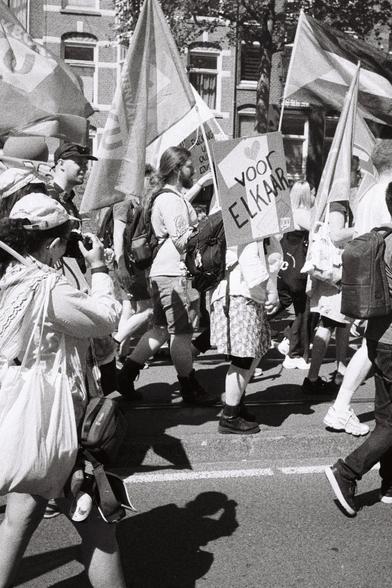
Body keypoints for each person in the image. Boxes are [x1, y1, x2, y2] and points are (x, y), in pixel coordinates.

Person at [0, 193, 125, 587]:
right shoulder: (48, 289)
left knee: (19, 517)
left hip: (24, 423)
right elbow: (105, 319)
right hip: (57, 423)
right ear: (54, 244)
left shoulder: (8, 277)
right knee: (99, 521)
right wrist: (99, 267)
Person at [118, 146, 217, 406]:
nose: (193, 170)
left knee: (160, 330)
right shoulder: (171, 200)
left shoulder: (167, 197)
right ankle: (189, 386)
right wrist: (208, 229)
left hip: (162, 273)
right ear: (176, 169)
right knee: (181, 333)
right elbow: (183, 240)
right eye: (188, 166)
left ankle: (125, 376)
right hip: (175, 274)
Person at [325, 185, 392, 516]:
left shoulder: (384, 240)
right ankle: (348, 471)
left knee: (386, 417)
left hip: (379, 340)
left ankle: (390, 483)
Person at [211, 235, 281, 434]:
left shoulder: (262, 221)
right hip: (240, 293)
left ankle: (237, 405)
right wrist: (271, 290)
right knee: (243, 357)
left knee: (254, 352)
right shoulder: (249, 218)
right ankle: (230, 415)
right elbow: (249, 258)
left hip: (249, 294)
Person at [302, 158, 359, 396]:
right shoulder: (338, 202)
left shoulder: (337, 199)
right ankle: (313, 378)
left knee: (340, 325)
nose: (358, 176)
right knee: (328, 325)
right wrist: (360, 229)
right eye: (356, 172)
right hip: (335, 276)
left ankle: (339, 370)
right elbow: (336, 235)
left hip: (336, 276)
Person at [277, 180, 315, 369]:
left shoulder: (286, 213)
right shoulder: (302, 214)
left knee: (293, 310)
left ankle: (288, 341)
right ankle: (294, 354)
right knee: (303, 312)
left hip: (285, 267)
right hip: (299, 269)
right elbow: (317, 231)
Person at [47, 141, 97, 219]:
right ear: (61, 164)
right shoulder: (48, 199)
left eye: (85, 163)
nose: (86, 168)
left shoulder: (67, 199)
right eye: (79, 163)